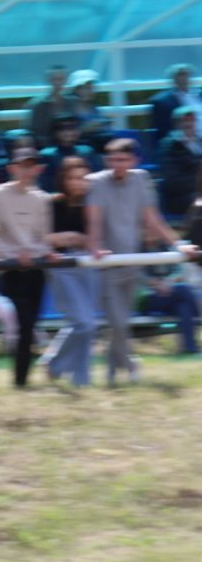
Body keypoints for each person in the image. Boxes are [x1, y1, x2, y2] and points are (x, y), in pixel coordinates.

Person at [86, 139, 199, 384]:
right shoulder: (96, 182)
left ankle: (112, 374)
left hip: (132, 259)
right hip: (106, 262)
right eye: (113, 159)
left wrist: (177, 244)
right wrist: (95, 247)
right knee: (116, 322)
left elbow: (153, 219)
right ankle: (131, 366)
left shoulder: (141, 179)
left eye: (123, 160)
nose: (118, 165)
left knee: (121, 322)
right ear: (107, 160)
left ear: (134, 160)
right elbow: (93, 222)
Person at [0, 150, 56, 386]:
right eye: (22, 165)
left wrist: (38, 253)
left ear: (37, 169)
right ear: (12, 168)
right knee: (22, 322)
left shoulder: (42, 198)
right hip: (9, 269)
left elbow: (44, 236)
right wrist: (14, 255)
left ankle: (22, 378)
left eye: (31, 165)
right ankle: (20, 378)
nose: (26, 170)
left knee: (30, 324)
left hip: (35, 268)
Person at [45, 157, 102, 388]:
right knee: (84, 323)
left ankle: (82, 379)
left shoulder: (92, 203)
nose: (78, 183)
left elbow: (93, 239)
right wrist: (72, 238)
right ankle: (54, 364)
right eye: (73, 178)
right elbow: (43, 237)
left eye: (83, 178)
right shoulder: (52, 203)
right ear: (63, 180)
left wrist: (79, 239)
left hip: (86, 265)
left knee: (87, 325)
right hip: (61, 266)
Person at [139, 268, 200, 355]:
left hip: (173, 296)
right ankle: (191, 345)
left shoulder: (170, 255)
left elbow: (179, 270)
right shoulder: (143, 256)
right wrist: (157, 283)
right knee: (184, 289)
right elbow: (139, 275)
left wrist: (168, 283)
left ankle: (190, 347)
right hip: (152, 297)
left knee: (184, 308)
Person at [156, 108, 202, 220]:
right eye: (185, 121)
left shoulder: (199, 142)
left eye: (192, 121)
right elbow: (173, 181)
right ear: (177, 124)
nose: (189, 124)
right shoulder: (168, 146)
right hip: (181, 197)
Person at [150, 65, 197, 144]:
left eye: (187, 74)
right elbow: (163, 131)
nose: (185, 77)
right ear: (173, 78)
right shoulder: (162, 102)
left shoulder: (198, 96)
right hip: (183, 144)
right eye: (181, 74)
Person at [29, 66, 72, 142]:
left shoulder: (72, 102)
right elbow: (32, 131)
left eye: (61, 79)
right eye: (55, 79)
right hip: (46, 145)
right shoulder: (38, 104)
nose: (58, 83)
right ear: (49, 81)